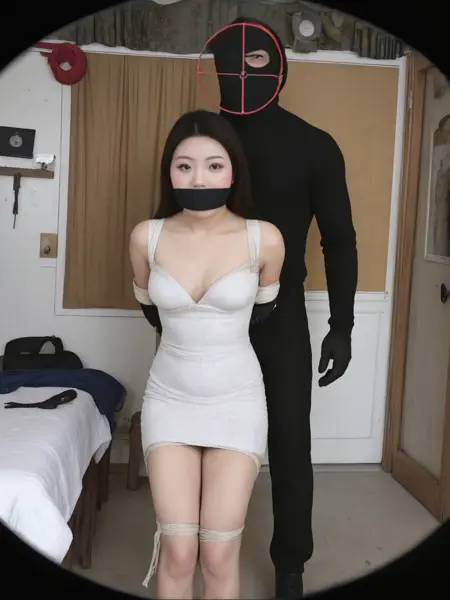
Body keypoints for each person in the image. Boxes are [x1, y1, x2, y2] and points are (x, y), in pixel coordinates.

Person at [203, 17, 359, 599]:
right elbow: (170, 228)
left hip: (282, 314)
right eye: (230, 59)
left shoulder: (314, 145)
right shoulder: (201, 144)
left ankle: (290, 563)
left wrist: (342, 325)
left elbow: (338, 240)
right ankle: (201, 547)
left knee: (290, 438)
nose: (241, 71)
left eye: (255, 60)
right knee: (204, 437)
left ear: (279, 69)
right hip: (206, 313)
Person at [129, 109, 285, 600]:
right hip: (169, 400)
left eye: (214, 165)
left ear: (234, 171)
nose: (199, 178)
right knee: (178, 552)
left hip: (237, 402)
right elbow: (151, 310)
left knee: (218, 556)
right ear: (169, 172)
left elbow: (263, 312)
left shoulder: (264, 238)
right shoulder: (146, 236)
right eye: (185, 166)